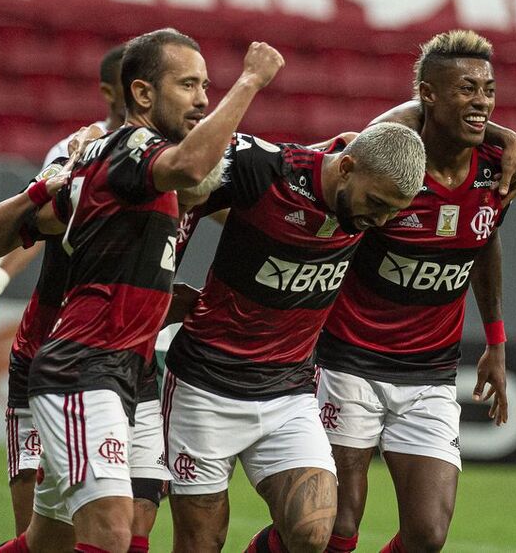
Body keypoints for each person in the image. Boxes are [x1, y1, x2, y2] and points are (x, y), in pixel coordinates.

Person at [0, 28, 284, 553]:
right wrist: (250, 82)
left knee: (73, 536)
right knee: (110, 533)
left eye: (208, 86)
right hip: (80, 366)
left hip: (131, 373)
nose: (204, 99)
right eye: (189, 85)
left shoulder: (138, 177)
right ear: (142, 94)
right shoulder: (132, 149)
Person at [161, 123, 427, 553]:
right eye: (376, 203)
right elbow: (181, 180)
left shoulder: (364, 189)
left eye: (391, 212)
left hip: (289, 391)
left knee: (312, 532)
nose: (379, 220)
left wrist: (505, 139)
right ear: (345, 168)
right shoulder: (264, 170)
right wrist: (156, 286)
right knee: (200, 543)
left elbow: (424, 114)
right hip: (205, 386)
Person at [312, 30, 511, 553]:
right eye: (467, 89)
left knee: (427, 535)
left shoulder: (497, 170)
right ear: (429, 94)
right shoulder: (391, 169)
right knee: (339, 524)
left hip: (430, 370)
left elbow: (486, 243)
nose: (482, 101)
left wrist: (496, 340)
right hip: (349, 359)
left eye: (488, 90)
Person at [0, 46, 142, 540]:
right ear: (123, 91)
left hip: (126, 360)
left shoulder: (178, 160)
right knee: (41, 536)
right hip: (56, 350)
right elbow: (37, 226)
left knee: (122, 530)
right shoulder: (76, 150)